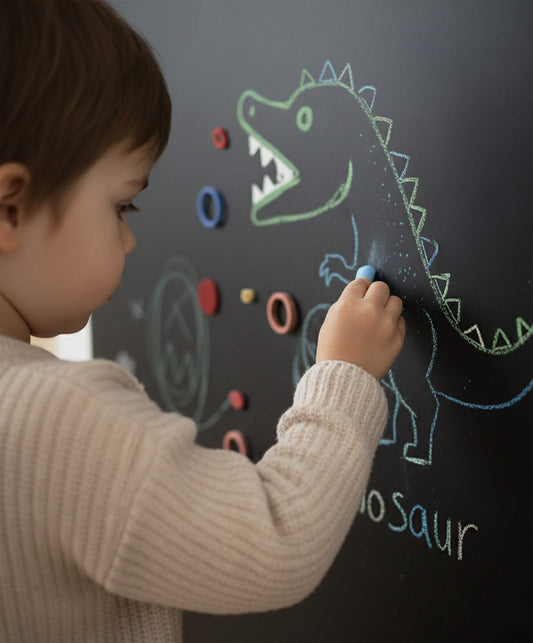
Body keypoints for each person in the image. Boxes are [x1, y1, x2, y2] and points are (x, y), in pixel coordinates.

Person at [0, 1, 405, 641]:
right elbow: (279, 539)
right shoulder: (56, 421)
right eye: (121, 206)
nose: (129, 240)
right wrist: (346, 375)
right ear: (11, 208)